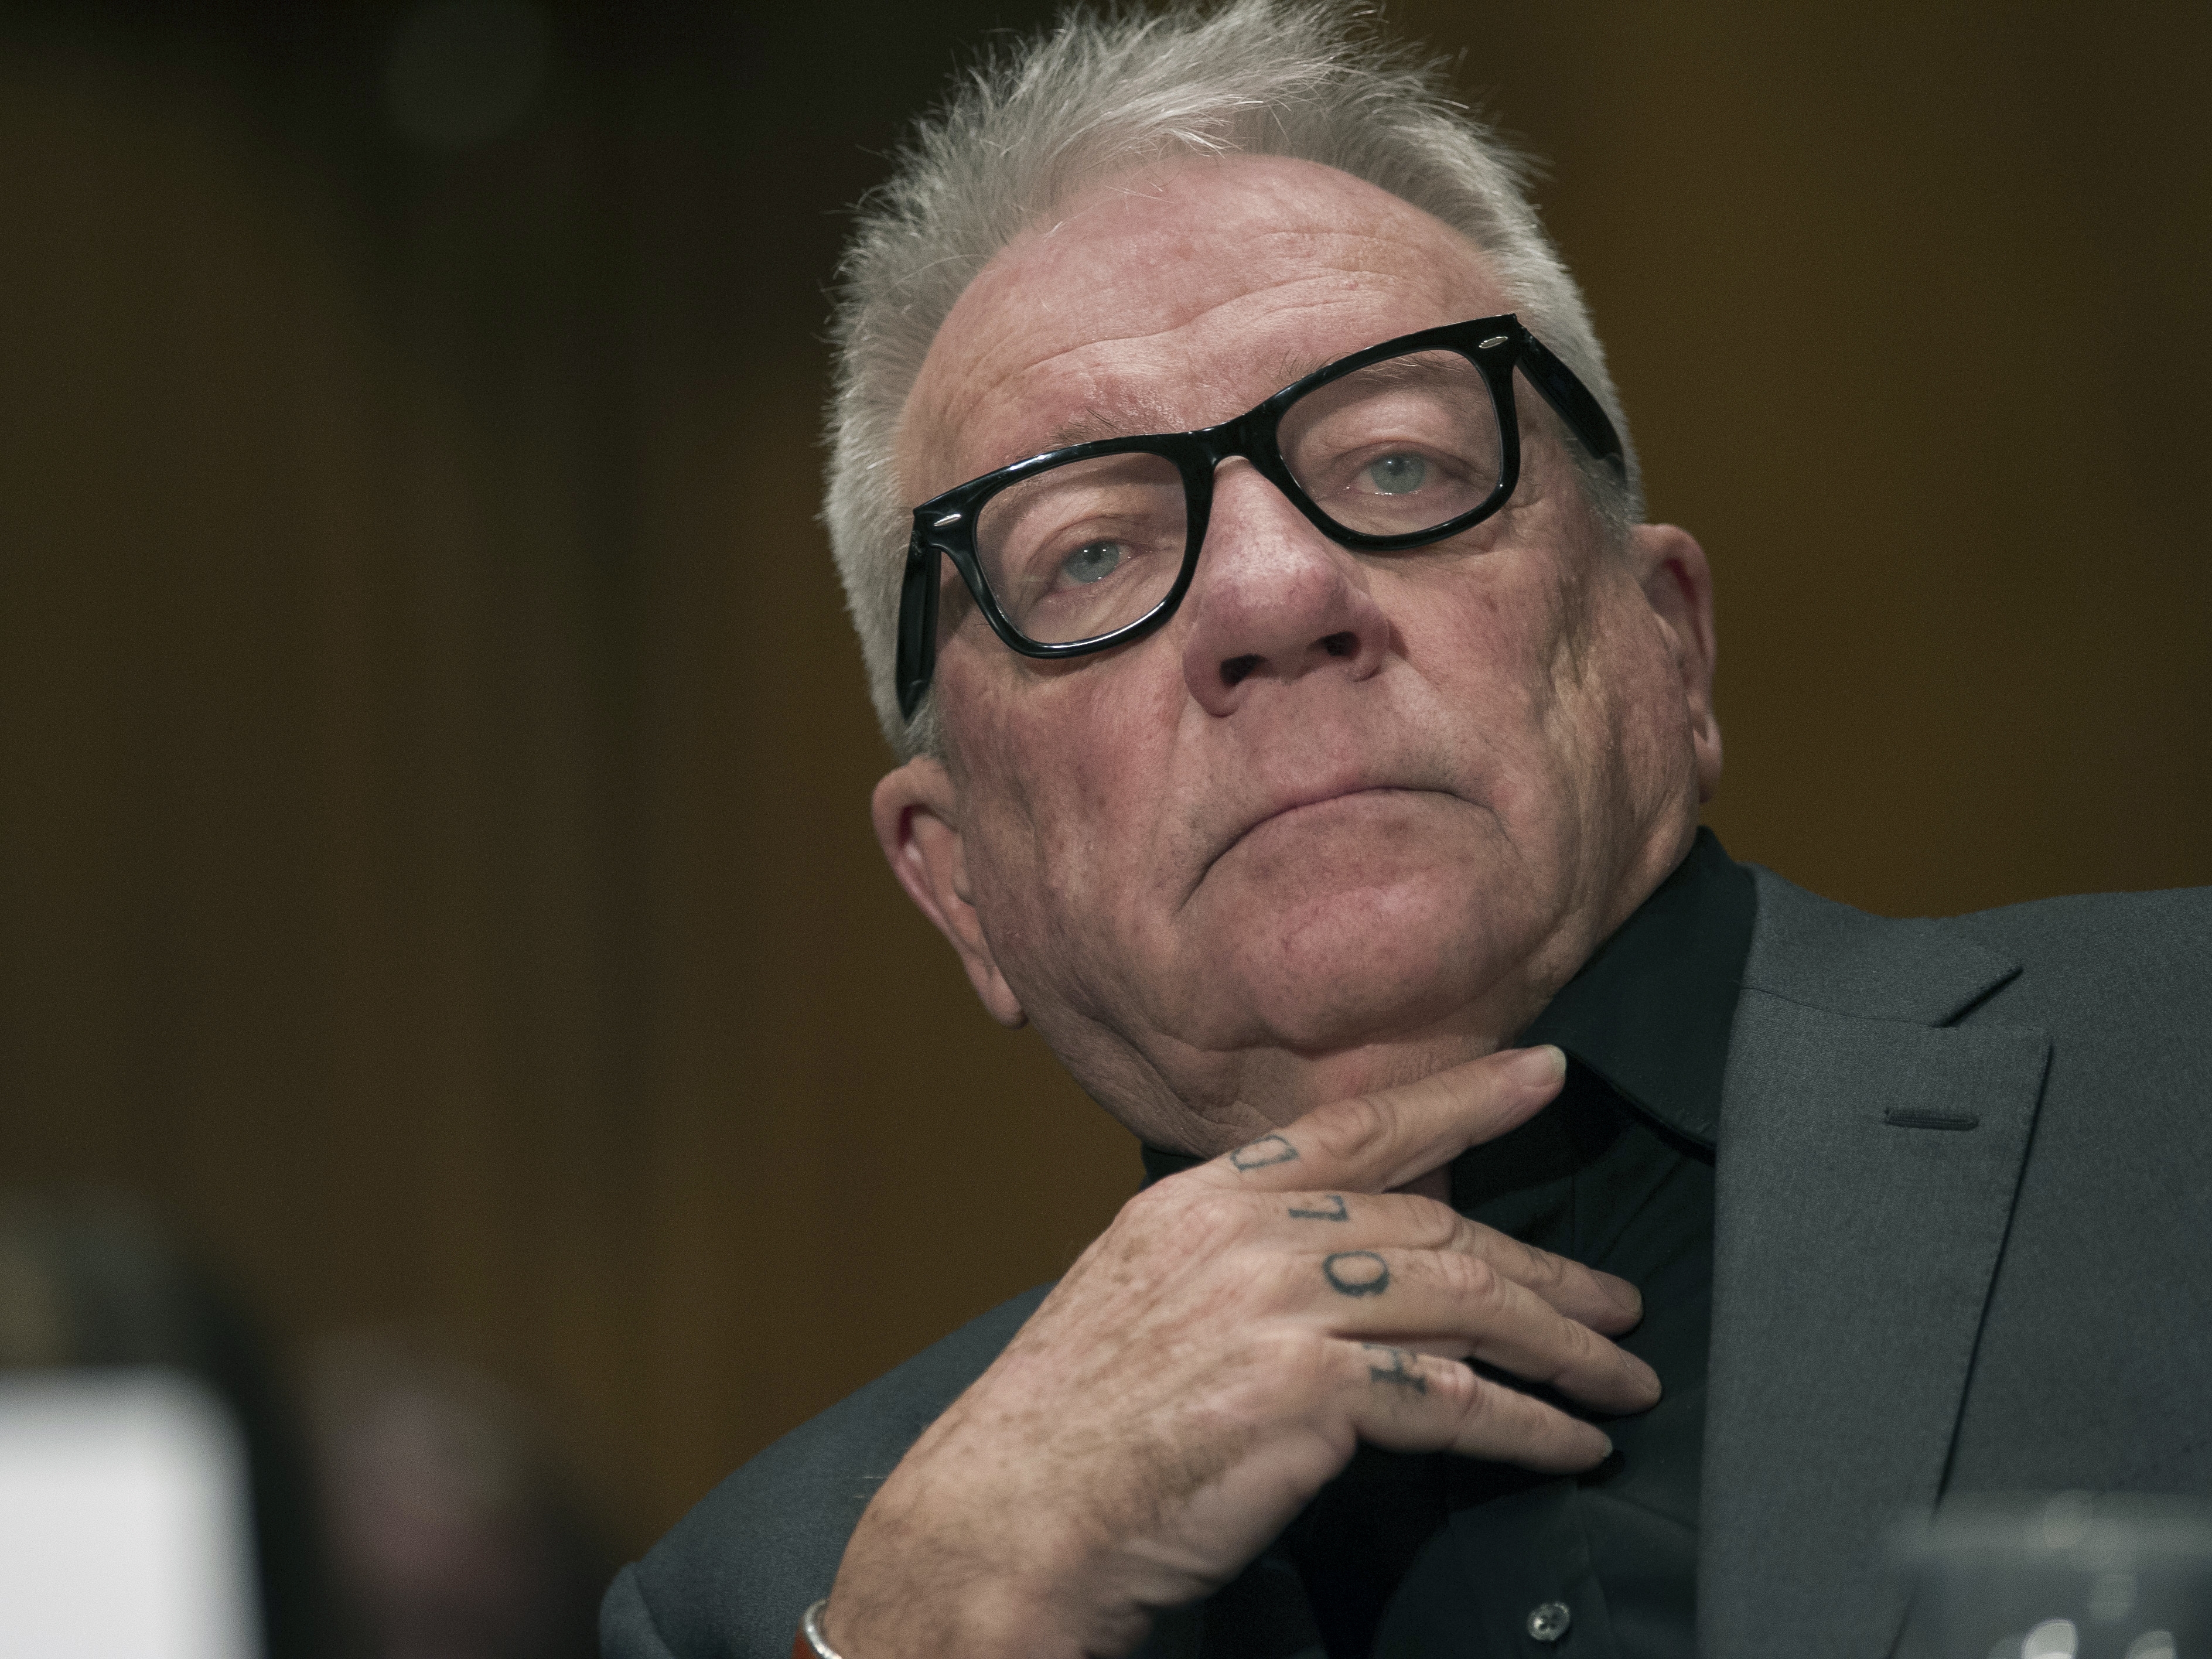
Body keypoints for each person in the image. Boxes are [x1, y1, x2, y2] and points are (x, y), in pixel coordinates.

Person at [601, 4, 2211, 1655]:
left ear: (1669, 642)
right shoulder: (772, 1602)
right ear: (959, 885)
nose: (1274, 591)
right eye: (1087, 554)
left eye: (1395, 464)